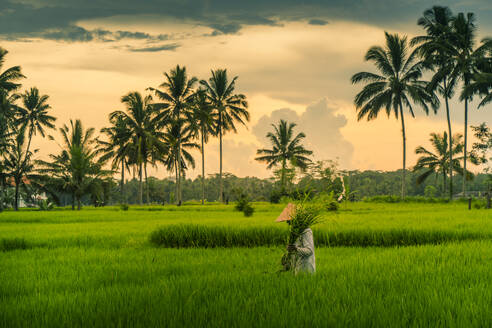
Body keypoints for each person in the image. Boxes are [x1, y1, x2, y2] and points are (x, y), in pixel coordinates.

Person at [276, 203, 316, 274]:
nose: (288, 222)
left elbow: (309, 251)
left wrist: (295, 249)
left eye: (289, 220)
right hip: (297, 270)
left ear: (296, 219)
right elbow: (295, 251)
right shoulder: (295, 232)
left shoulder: (306, 231)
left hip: (306, 270)